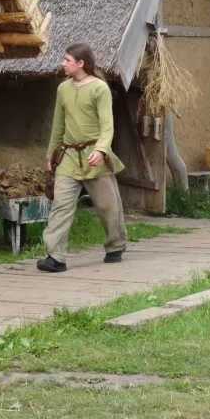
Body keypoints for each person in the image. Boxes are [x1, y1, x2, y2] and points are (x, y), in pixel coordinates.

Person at [36, 42, 128, 273]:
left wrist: (101, 150)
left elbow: (107, 126)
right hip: (68, 156)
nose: (63, 63)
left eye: (67, 60)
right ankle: (55, 257)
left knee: (108, 206)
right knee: (60, 206)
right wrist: (51, 155)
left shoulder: (99, 88)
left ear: (80, 63)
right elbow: (58, 125)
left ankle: (115, 246)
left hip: (94, 156)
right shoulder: (63, 89)